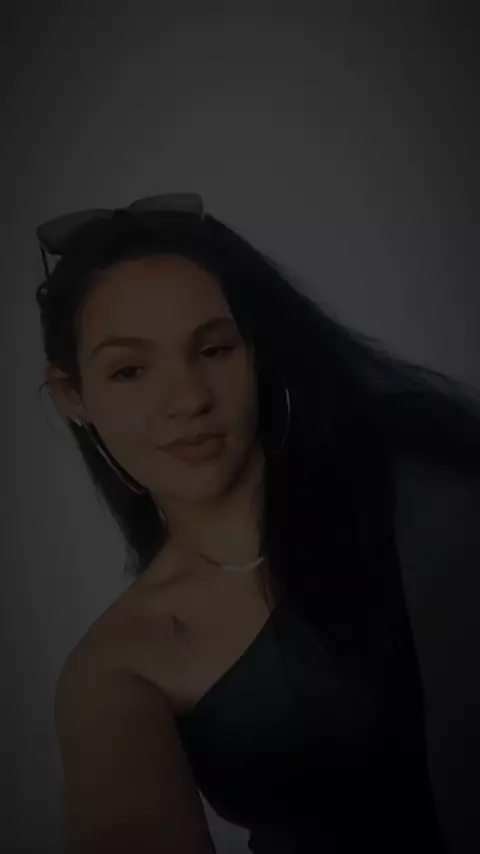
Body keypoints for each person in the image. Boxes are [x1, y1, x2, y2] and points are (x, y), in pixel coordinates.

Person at [35, 193, 479, 853]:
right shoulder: (117, 670)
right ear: (73, 395)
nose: (188, 399)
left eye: (214, 350)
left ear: (257, 352)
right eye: (129, 370)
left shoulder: (424, 482)